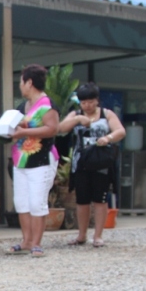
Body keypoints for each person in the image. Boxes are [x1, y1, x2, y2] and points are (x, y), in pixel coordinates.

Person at [58, 82, 126, 248]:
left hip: (101, 161)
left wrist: (108, 138)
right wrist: (76, 119)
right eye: (83, 102)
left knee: (100, 199)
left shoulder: (106, 114)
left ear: (97, 100)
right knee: (82, 200)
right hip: (81, 162)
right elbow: (61, 128)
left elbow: (120, 131)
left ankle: (98, 235)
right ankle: (81, 235)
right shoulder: (76, 113)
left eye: (90, 102)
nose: (87, 106)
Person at [6, 64, 60, 258]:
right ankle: (26, 240)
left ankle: (37, 242)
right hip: (21, 159)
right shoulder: (23, 105)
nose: (20, 85)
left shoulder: (47, 105)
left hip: (41, 159)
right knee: (22, 202)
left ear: (29, 82)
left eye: (21, 81)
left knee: (37, 202)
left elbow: (52, 128)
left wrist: (24, 131)